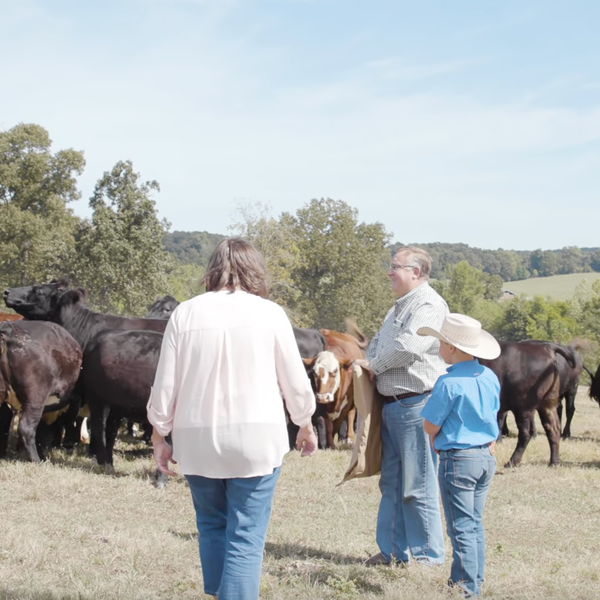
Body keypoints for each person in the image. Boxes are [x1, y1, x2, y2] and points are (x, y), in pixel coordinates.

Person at [147, 238, 318, 600]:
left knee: (210, 524)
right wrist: (304, 422)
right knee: (245, 534)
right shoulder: (270, 313)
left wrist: (159, 433)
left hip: (195, 438)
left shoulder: (185, 313)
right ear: (255, 268)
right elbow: (294, 379)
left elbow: (166, 382)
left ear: (211, 268)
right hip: (256, 437)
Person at [353, 246, 448, 566]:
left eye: (395, 267)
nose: (389, 272)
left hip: (417, 405)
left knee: (417, 485)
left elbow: (408, 347)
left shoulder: (429, 303)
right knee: (392, 481)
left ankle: (427, 559)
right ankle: (393, 551)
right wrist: (372, 360)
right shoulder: (399, 307)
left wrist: (373, 366)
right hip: (394, 406)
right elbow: (380, 343)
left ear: (416, 272)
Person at [419, 313, 501, 597]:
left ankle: (468, 589)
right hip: (485, 457)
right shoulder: (489, 376)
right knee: (473, 523)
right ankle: (467, 579)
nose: (438, 347)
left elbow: (430, 424)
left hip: (458, 460)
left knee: (461, 527)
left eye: (440, 342)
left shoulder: (447, 383)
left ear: (451, 347)